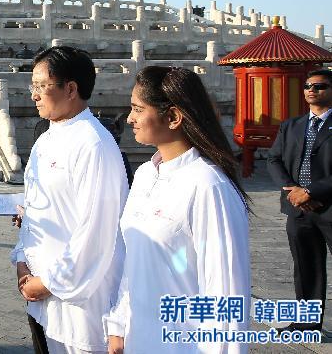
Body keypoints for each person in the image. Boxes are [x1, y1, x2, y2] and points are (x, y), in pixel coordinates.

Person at [105, 66, 251, 353]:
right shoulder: (146, 174)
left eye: (137, 109)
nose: (130, 118)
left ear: (172, 117)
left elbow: (226, 292)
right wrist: (119, 325)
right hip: (140, 339)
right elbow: (134, 261)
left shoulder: (209, 185)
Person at [11, 46, 128, 354]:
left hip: (81, 301)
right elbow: (34, 206)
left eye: (41, 86)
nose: (33, 95)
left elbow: (95, 232)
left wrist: (47, 282)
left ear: (71, 88)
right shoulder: (46, 138)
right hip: (41, 291)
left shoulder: (93, 144)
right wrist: (22, 261)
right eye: (32, 86)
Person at [267, 68, 332, 332]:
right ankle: (306, 324)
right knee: (306, 267)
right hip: (297, 208)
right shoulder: (291, 125)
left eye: (320, 86)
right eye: (308, 86)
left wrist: (313, 191)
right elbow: (274, 160)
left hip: (328, 204)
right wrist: (293, 192)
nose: (312, 90)